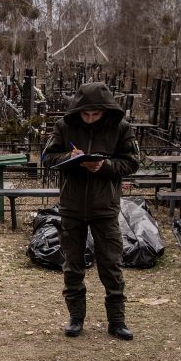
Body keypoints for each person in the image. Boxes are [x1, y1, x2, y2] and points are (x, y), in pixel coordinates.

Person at [42, 82, 139, 340]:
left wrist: (104, 166)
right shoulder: (64, 126)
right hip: (72, 207)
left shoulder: (121, 128)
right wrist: (69, 158)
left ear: (105, 111)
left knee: (111, 264)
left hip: (104, 207)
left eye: (96, 114)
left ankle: (117, 321)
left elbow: (131, 162)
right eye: (86, 114)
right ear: (79, 111)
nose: (91, 119)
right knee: (73, 265)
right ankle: (76, 318)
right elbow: (47, 158)